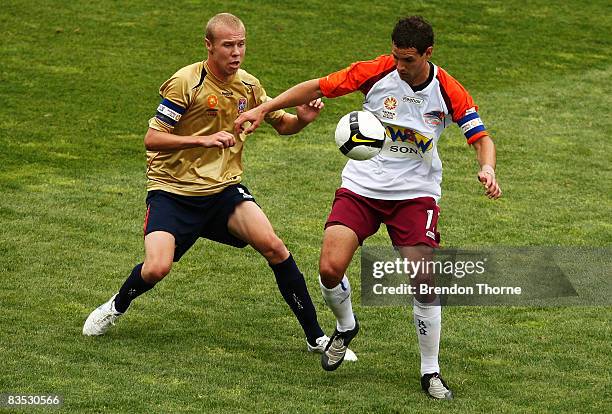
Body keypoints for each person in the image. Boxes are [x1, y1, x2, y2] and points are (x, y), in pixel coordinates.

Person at [235, 16, 502, 399]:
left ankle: (431, 372)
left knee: (424, 280)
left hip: (415, 194)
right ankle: (345, 327)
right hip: (362, 186)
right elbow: (317, 86)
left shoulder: (446, 89)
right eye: (395, 56)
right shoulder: (375, 72)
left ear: (428, 54)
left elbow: (481, 137)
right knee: (329, 269)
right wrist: (265, 109)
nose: (399, 65)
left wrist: (487, 167)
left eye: (407, 59)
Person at [83, 12, 336, 356]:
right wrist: (200, 141)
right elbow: (152, 138)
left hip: (223, 192)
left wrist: (302, 120)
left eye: (241, 45)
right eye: (228, 45)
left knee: (274, 246)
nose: (236, 53)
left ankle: (316, 337)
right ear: (209, 46)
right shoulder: (186, 83)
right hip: (173, 191)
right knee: (157, 268)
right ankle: (116, 305)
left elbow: (283, 124)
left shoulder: (249, 86)